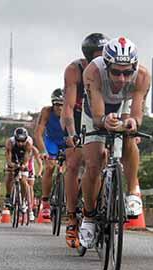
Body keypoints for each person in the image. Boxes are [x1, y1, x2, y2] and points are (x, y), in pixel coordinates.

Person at [79, 36, 151, 248]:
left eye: (127, 72)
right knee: (94, 162)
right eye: (116, 72)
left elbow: (136, 115)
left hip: (122, 107)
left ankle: (131, 192)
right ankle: (89, 217)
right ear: (107, 66)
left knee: (130, 138)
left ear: (135, 68)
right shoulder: (93, 72)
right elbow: (98, 117)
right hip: (95, 109)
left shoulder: (143, 76)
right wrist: (104, 121)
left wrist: (131, 122)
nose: (121, 78)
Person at [61, 32, 109, 248]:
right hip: (80, 116)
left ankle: (106, 199)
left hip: (105, 114)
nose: (103, 60)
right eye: (98, 56)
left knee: (104, 159)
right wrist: (72, 134)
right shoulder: (75, 71)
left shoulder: (110, 69)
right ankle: (72, 218)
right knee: (72, 163)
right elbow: (69, 108)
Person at [33, 88, 66, 220]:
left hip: (66, 140)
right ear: (52, 104)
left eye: (62, 104)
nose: (60, 108)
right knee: (50, 166)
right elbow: (38, 133)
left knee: (72, 168)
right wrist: (43, 151)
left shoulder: (72, 110)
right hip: (51, 141)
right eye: (57, 104)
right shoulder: (46, 111)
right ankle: (45, 202)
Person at [4, 127, 35, 223]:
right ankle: (8, 197)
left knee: (23, 181)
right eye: (18, 141)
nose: (20, 143)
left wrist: (24, 165)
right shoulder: (10, 142)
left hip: (23, 157)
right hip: (13, 156)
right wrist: (10, 165)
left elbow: (27, 157)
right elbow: (8, 156)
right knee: (9, 175)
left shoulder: (29, 142)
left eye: (22, 141)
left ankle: (24, 200)